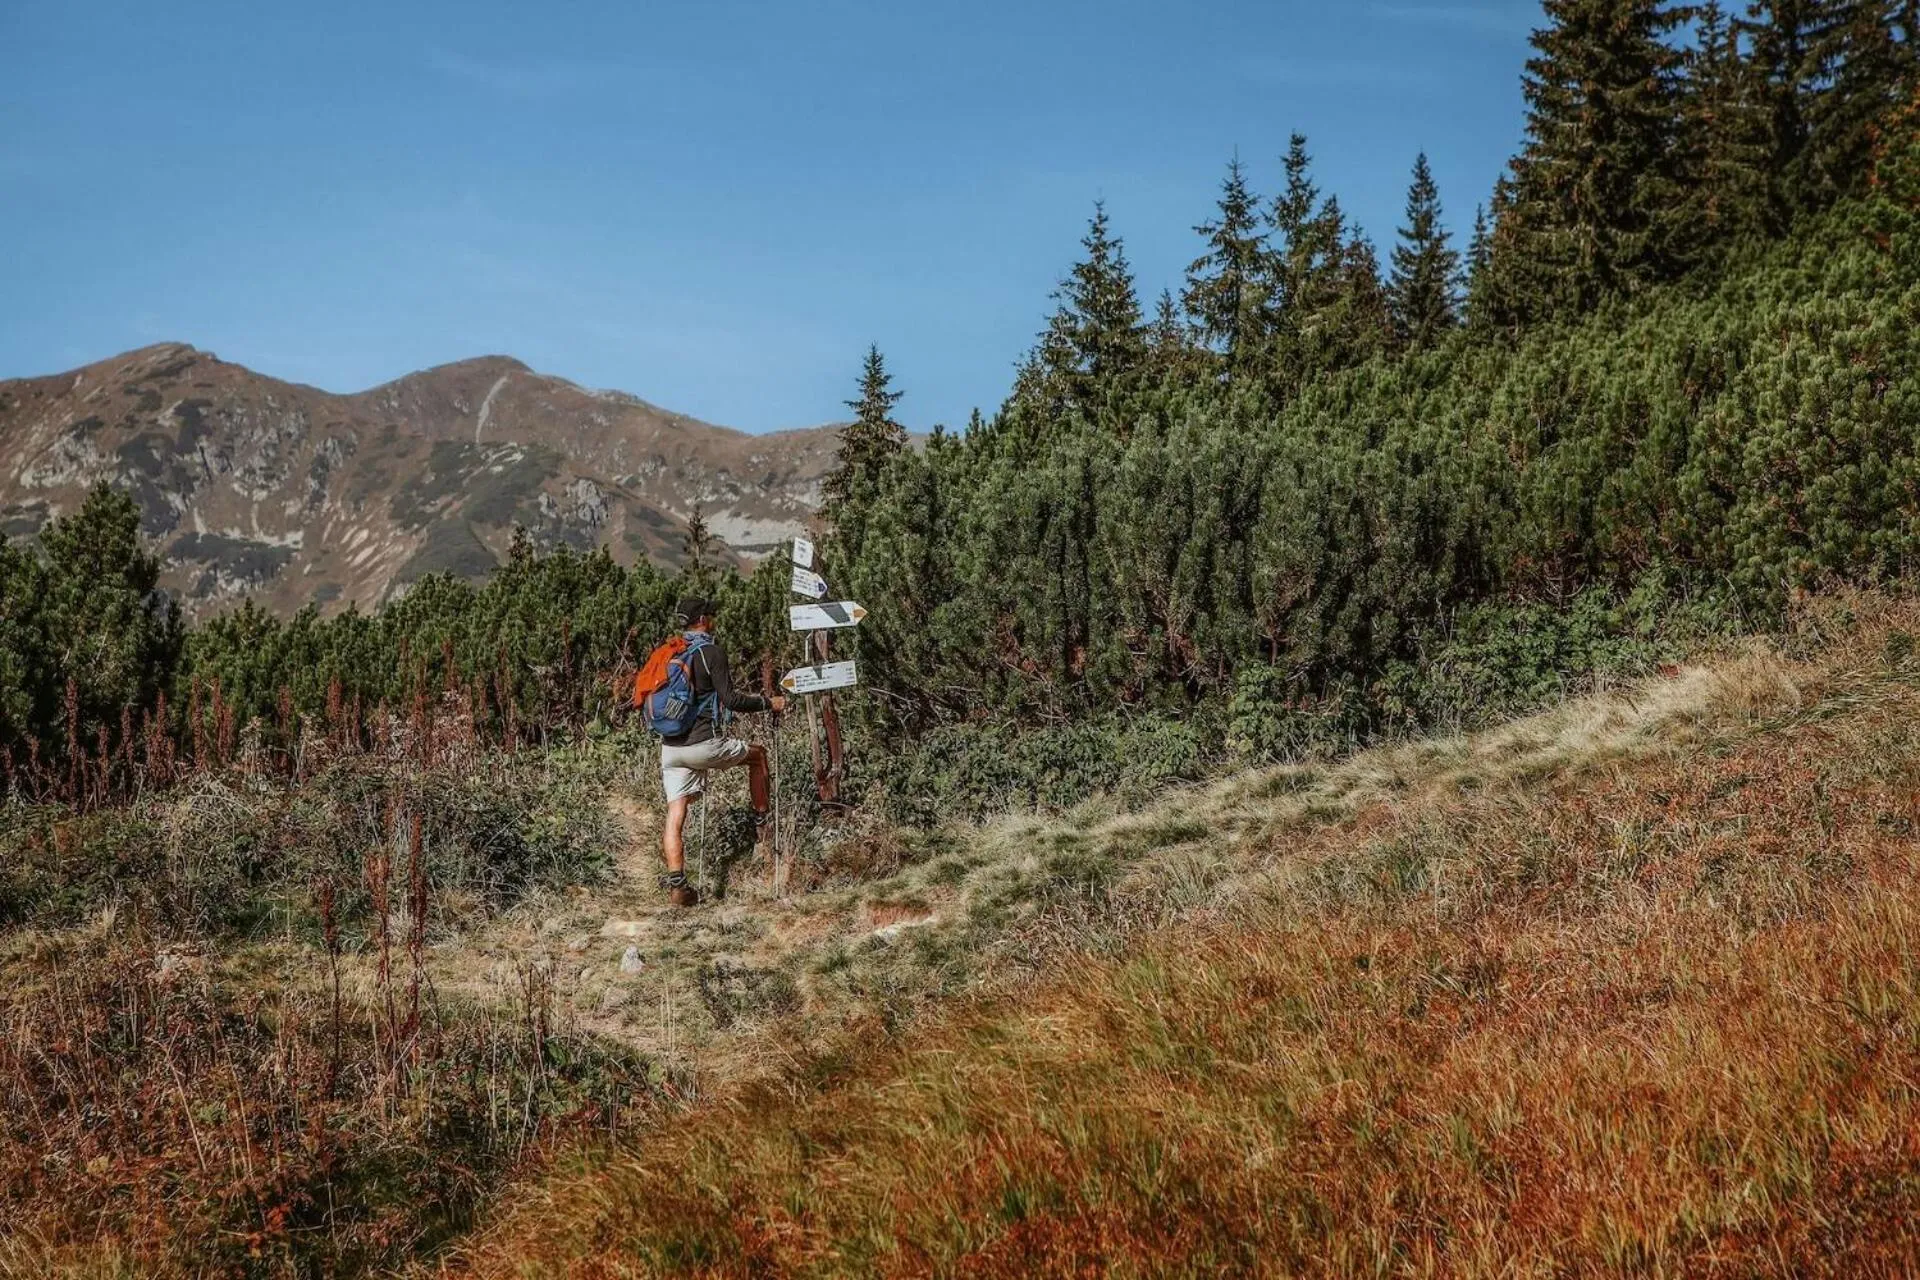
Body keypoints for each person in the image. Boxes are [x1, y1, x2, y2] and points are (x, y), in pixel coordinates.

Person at [656, 595, 786, 907]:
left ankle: (678, 886)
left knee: (676, 813)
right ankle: (763, 831)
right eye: (710, 614)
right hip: (704, 744)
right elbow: (731, 700)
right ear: (702, 619)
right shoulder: (710, 652)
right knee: (759, 756)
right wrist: (770, 703)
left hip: (670, 748)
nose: (713, 618)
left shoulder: (671, 652)